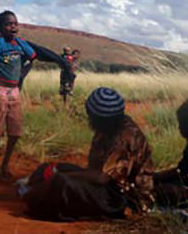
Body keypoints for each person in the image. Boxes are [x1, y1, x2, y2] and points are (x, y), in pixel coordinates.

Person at [0, 10, 70, 179]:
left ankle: (6, 164)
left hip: (15, 92)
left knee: (15, 132)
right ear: (0, 27)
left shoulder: (21, 44)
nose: (13, 27)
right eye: (8, 24)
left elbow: (39, 53)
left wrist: (61, 61)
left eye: (15, 23)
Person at [21, 87, 154, 220]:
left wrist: (63, 175)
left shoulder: (125, 137)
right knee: (53, 168)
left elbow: (101, 178)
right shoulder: (108, 128)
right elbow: (94, 170)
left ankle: (37, 201)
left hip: (124, 199)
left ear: (101, 118)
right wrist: (58, 170)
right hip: (107, 187)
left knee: (61, 182)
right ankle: (37, 194)